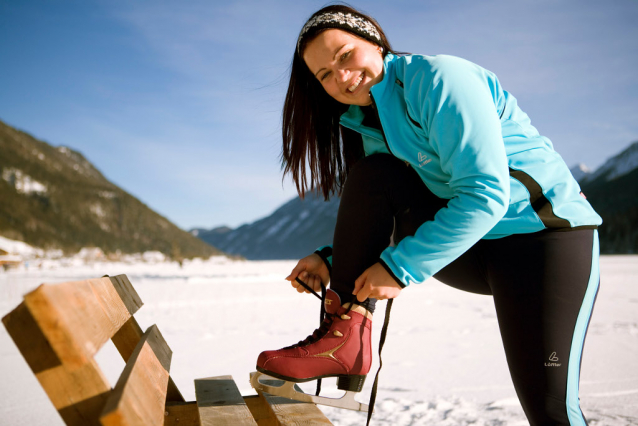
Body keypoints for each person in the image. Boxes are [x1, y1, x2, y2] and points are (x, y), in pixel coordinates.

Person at [255, 5, 602, 425]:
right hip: (474, 250)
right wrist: (332, 261)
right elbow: (386, 209)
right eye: (325, 74)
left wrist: (400, 269)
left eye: (345, 56)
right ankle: (344, 340)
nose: (341, 78)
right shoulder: (371, 123)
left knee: (549, 411)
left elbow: (485, 194)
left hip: (544, 242)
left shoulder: (440, 80)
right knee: (373, 175)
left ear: (375, 42)